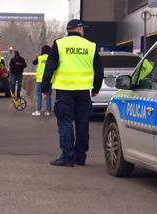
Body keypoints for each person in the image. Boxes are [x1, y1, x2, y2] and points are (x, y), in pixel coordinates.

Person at [42, 19, 104, 167]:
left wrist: (45, 88)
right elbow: (99, 70)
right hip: (83, 91)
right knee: (82, 124)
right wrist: (96, 88)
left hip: (64, 91)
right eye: (83, 29)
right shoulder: (90, 46)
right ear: (79, 29)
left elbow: (50, 67)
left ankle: (67, 157)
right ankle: (80, 156)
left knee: (65, 123)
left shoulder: (60, 44)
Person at [32, 45, 52, 116]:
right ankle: (48, 111)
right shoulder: (51, 58)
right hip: (49, 79)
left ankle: (38, 111)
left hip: (40, 79)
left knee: (38, 95)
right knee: (49, 95)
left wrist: (36, 57)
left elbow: (33, 63)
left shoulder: (40, 58)